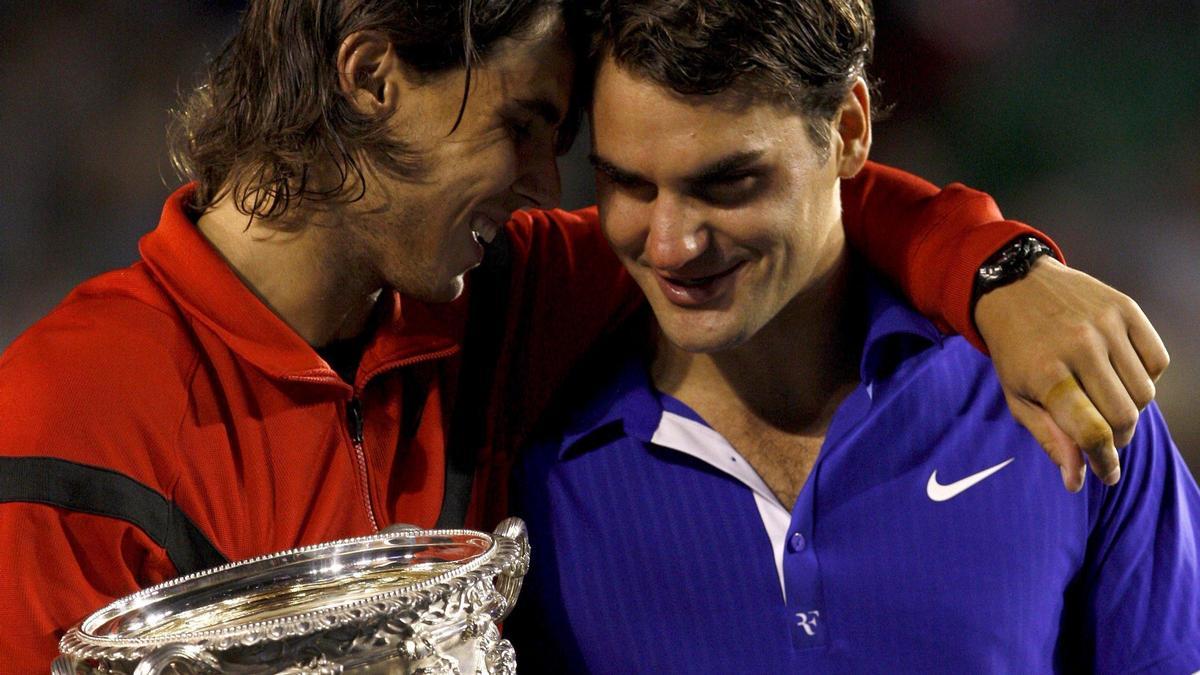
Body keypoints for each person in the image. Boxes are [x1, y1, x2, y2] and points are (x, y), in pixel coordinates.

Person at [0, 0, 1170, 670]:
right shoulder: (60, 420)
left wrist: (1004, 271)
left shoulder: (505, 292)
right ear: (368, 76)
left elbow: (802, 202)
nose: (539, 184)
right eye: (521, 125)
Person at [508, 0, 1200, 671]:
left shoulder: (1060, 399)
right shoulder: (532, 465)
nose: (671, 245)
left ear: (848, 130)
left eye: (727, 184)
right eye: (627, 185)